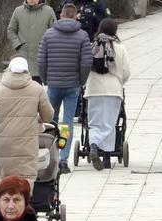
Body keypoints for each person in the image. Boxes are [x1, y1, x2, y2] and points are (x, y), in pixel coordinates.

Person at [38, 3, 92, 174]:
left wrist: (46, 79)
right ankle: (63, 159)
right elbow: (86, 62)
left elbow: (41, 60)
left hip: (53, 83)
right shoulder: (82, 36)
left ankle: (49, 155)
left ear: (61, 15)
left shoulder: (48, 34)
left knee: (49, 122)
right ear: (76, 16)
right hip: (72, 85)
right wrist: (80, 80)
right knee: (67, 123)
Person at [0, 57, 54, 191]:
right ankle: (23, 207)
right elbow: (48, 116)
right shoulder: (37, 89)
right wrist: (37, 119)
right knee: (26, 180)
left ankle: (6, 207)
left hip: (3, 145)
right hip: (27, 145)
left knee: (6, 182)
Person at [85, 19, 130, 170]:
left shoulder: (92, 47)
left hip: (93, 90)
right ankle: (105, 157)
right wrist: (119, 82)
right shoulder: (120, 49)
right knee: (109, 125)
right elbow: (126, 72)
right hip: (113, 90)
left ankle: (93, 145)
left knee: (95, 123)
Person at [7, 0, 56, 83]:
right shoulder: (18, 11)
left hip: (40, 56)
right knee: (21, 88)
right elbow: (11, 30)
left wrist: (46, 47)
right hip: (23, 56)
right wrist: (18, 44)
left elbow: (54, 32)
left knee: (37, 88)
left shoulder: (48, 11)